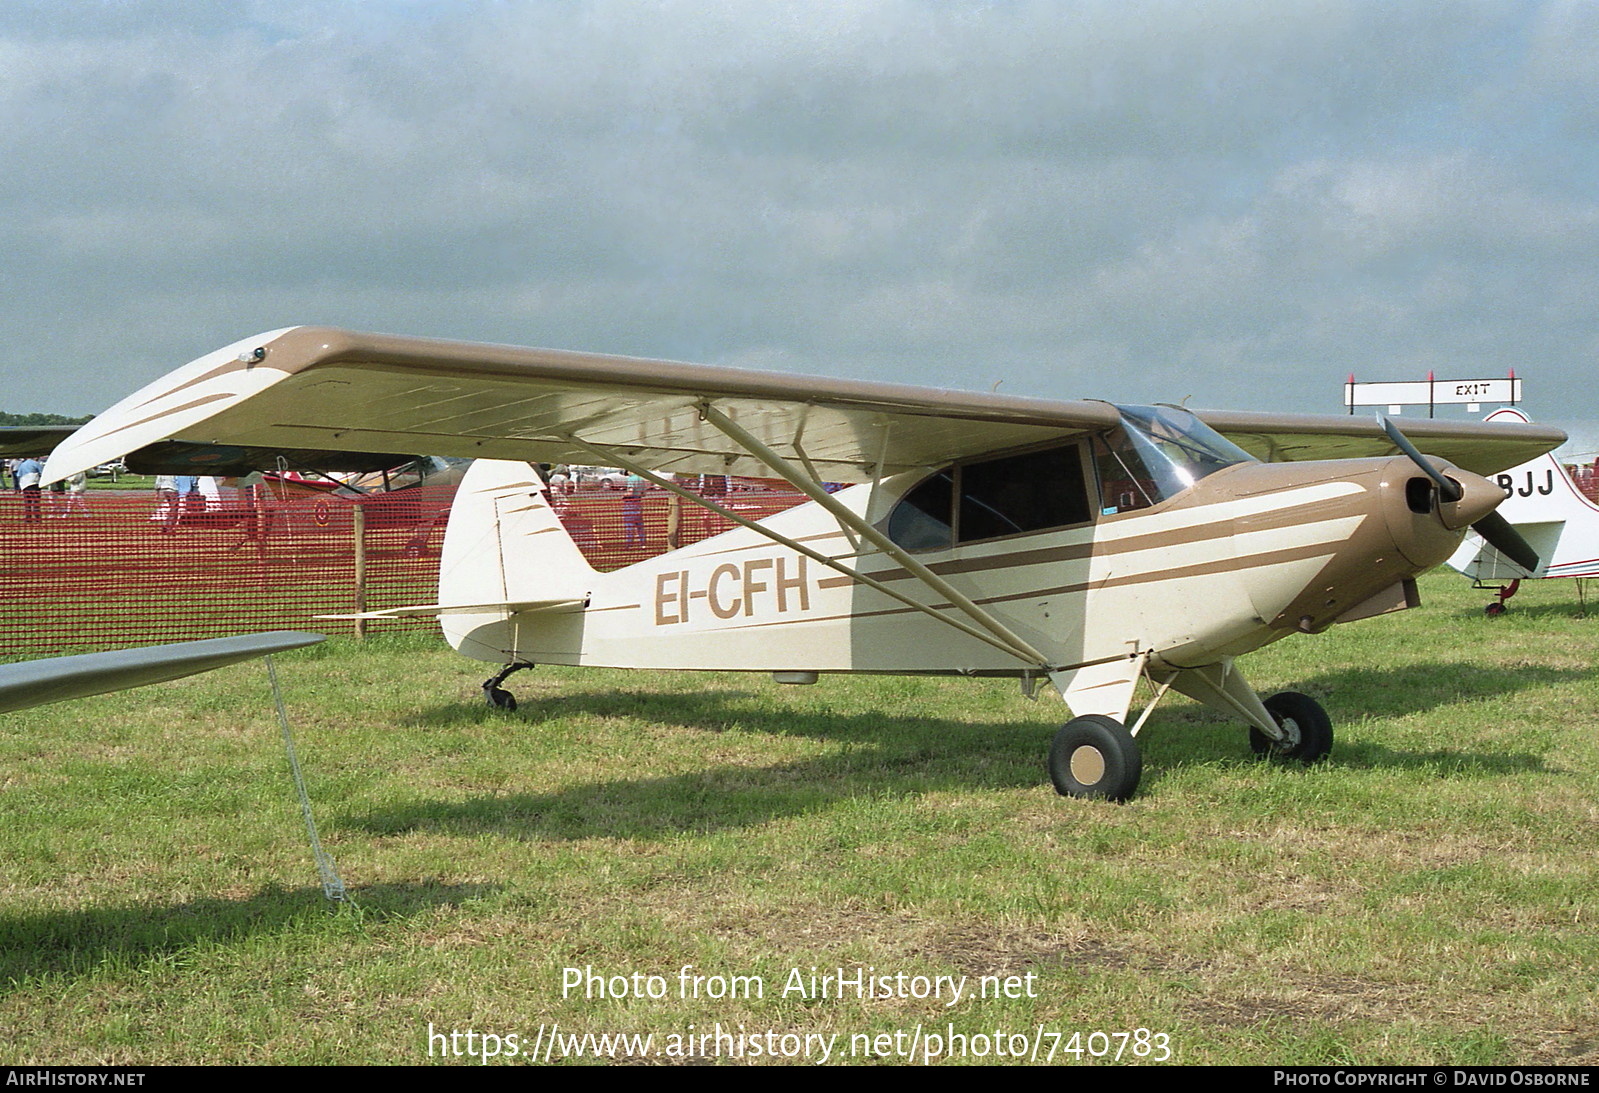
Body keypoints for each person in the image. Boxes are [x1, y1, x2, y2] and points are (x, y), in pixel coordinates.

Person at [14, 456, 43, 523]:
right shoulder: (36, 464)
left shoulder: (22, 464)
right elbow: (41, 473)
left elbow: (18, 475)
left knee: (27, 503)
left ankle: (28, 519)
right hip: (34, 484)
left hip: (25, 485)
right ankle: (37, 519)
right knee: (36, 502)